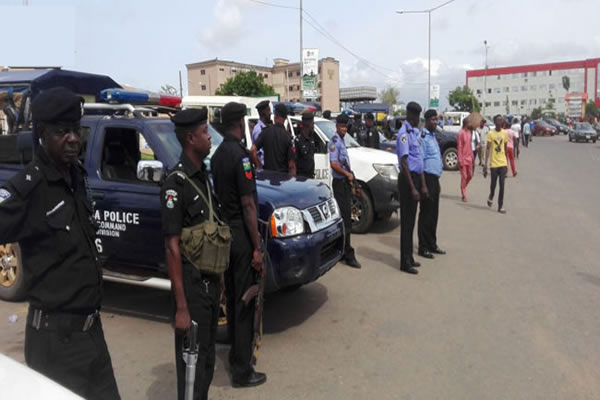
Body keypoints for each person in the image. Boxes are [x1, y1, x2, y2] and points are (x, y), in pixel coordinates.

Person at [0, 87, 120, 399]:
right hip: (55, 342)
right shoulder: (29, 188)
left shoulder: (76, 177)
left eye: (75, 131)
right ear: (41, 134)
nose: (72, 139)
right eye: (61, 132)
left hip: (91, 333)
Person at [160, 108, 221, 400]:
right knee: (192, 368)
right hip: (192, 288)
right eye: (204, 133)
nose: (209, 137)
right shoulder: (176, 184)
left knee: (207, 361)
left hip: (210, 285)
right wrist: (181, 307)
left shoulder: (203, 176)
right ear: (189, 139)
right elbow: (172, 247)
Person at [211, 102, 267, 387]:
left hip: (226, 235)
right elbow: (248, 205)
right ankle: (242, 370)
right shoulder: (240, 156)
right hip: (242, 238)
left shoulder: (219, 154)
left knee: (233, 297)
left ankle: (236, 355)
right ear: (240, 123)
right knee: (246, 301)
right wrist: (257, 247)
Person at [396, 101, 426, 274]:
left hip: (414, 178)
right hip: (407, 181)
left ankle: (409, 257)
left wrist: (421, 184)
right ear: (411, 116)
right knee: (407, 223)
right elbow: (404, 162)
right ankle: (404, 262)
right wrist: (413, 188)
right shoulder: (404, 134)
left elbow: (418, 161)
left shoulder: (413, 133)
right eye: (416, 117)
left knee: (411, 221)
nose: (417, 120)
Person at [329, 113, 362, 269]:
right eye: (341, 126)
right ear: (337, 126)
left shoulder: (342, 140)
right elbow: (334, 164)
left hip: (345, 183)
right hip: (339, 183)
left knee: (346, 217)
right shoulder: (334, 141)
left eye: (345, 126)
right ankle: (348, 254)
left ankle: (342, 250)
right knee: (346, 220)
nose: (344, 129)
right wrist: (347, 174)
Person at [417, 109, 446, 259]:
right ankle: (423, 247)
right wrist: (423, 185)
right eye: (433, 120)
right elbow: (420, 162)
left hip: (434, 180)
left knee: (434, 214)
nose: (436, 122)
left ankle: (432, 244)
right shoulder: (423, 137)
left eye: (437, 119)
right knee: (426, 214)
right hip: (426, 179)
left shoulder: (433, 136)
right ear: (427, 121)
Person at [250, 103, 296, 176]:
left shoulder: (265, 132)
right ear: (285, 118)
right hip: (283, 178)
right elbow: (291, 165)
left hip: (268, 176)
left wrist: (259, 166)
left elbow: (253, 150)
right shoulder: (287, 136)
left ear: (275, 116)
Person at [484, 115, 509, 214]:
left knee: (502, 185)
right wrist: (485, 164)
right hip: (494, 164)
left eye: (501, 120)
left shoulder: (505, 133)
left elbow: (505, 148)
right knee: (493, 185)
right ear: (494, 122)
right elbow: (488, 148)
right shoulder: (490, 133)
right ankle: (491, 195)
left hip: (502, 163)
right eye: (497, 120)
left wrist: (507, 164)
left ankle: (500, 206)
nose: (499, 122)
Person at [294, 111, 323, 178]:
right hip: (301, 177)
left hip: (311, 175)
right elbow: (294, 160)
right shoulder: (298, 140)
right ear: (307, 123)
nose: (313, 125)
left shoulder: (312, 138)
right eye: (312, 123)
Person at [457, 118, 474, 202]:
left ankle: (463, 186)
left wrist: (472, 156)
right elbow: (459, 147)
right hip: (463, 158)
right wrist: (460, 160)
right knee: (464, 176)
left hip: (469, 158)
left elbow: (470, 145)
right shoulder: (461, 133)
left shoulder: (470, 132)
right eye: (469, 123)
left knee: (470, 175)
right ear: (466, 123)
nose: (471, 124)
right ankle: (464, 194)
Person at [252, 100, 271, 165]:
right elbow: (257, 154)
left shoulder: (267, 127)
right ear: (263, 113)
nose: (270, 113)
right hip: (264, 168)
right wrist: (260, 168)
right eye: (268, 110)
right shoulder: (259, 130)